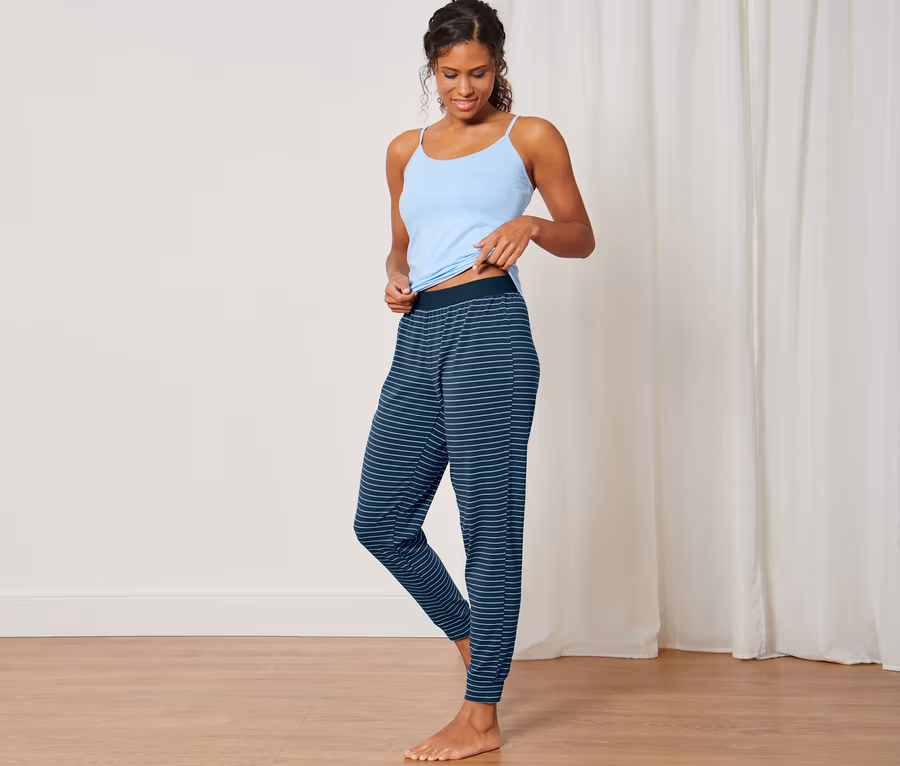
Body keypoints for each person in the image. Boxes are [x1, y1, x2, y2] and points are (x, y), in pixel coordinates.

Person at [353, 0, 594, 760]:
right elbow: (401, 245)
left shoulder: (530, 137)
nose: (465, 88)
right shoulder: (405, 150)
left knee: (488, 527)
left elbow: (581, 236)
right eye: (451, 74)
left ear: (498, 68)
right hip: (420, 332)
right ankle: (476, 642)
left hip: (491, 329)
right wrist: (396, 279)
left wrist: (532, 225)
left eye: (479, 73)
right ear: (432, 69)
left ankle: (481, 717)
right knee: (380, 519)